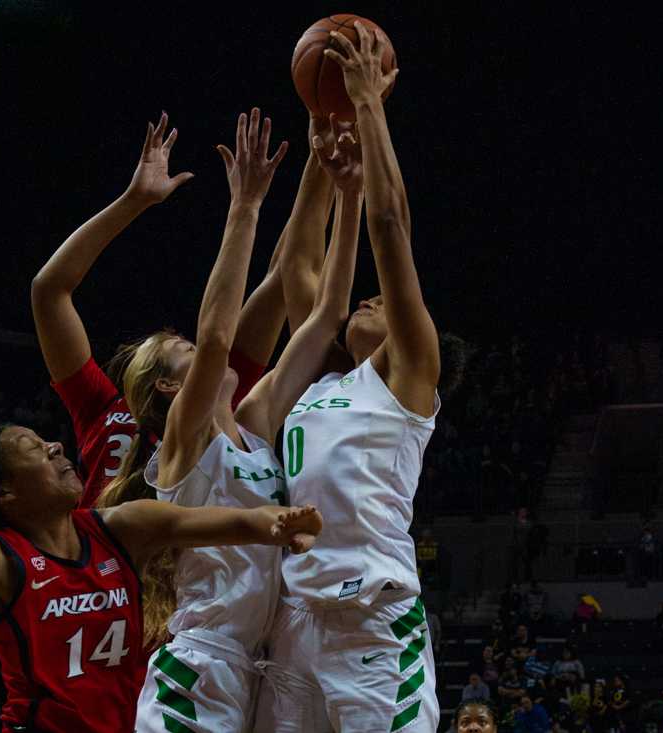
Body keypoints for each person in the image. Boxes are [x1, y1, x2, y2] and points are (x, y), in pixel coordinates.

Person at [0, 360, 323, 733]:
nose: (55, 445)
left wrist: (280, 523)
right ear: (5, 492)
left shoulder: (121, 525)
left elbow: (231, 520)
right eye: (34, 447)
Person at [253, 23, 470, 733]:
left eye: (377, 300)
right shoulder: (318, 382)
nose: (369, 300)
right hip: (295, 620)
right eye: (367, 297)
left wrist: (368, 105)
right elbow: (298, 270)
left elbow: (388, 224)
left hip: (374, 620)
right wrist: (324, 137)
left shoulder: (409, 378)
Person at [121, 108, 359, 732]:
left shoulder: (253, 428)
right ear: (171, 387)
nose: (203, 357)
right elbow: (219, 334)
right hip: (202, 663)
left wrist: (324, 158)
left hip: (264, 670)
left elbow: (321, 309)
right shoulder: (185, 441)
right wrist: (245, 206)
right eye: (188, 357)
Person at [31, 112, 309, 508]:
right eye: (185, 350)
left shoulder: (219, 397)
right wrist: (134, 201)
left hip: (193, 562)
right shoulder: (103, 408)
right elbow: (48, 290)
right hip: (108, 561)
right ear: (164, 382)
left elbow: (284, 274)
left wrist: (324, 163)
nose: (197, 348)